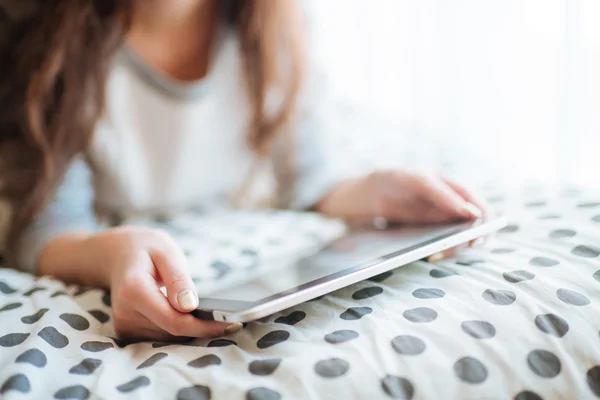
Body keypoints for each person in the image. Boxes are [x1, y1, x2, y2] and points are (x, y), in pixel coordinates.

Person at [0, 0, 487, 341]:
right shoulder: (39, 31)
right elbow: (46, 229)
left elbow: (310, 181)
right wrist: (114, 254)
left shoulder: (273, 19)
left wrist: (378, 193)